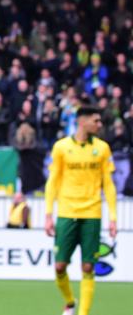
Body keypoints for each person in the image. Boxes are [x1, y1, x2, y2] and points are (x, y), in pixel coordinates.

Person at [45, 105, 117, 315]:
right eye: (96, 120)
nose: (99, 124)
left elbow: (109, 184)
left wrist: (113, 217)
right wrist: (48, 214)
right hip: (67, 213)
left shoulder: (103, 148)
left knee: (87, 267)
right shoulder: (61, 147)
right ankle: (69, 302)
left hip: (92, 214)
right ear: (82, 121)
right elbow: (53, 181)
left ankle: (83, 313)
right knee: (59, 267)